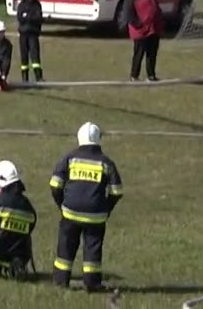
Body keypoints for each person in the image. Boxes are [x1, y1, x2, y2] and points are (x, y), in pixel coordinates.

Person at [49, 122, 123, 293]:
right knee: (93, 249)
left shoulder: (70, 158)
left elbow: (54, 184)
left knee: (65, 247)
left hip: (70, 213)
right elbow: (117, 191)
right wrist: (106, 208)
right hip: (96, 216)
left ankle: (61, 281)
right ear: (98, 139)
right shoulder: (106, 163)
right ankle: (92, 283)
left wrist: (62, 204)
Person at [126, 0, 161, 81]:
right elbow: (129, 15)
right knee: (139, 54)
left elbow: (157, 11)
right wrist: (139, 24)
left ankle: (151, 75)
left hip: (153, 30)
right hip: (140, 32)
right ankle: (134, 75)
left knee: (152, 54)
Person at [15, 0, 44, 83]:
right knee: (24, 57)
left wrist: (27, 16)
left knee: (35, 56)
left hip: (33, 34)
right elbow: (20, 18)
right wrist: (30, 17)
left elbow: (38, 18)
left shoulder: (37, 5)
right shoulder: (21, 5)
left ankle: (38, 77)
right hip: (23, 35)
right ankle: (24, 79)